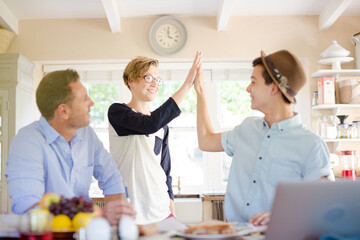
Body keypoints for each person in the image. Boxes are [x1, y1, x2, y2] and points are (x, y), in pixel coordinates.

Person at [194, 50, 331, 226]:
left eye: (253, 82)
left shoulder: (312, 145)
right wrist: (200, 91)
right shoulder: (247, 128)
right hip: (237, 233)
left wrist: (281, 216)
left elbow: (323, 205)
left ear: (274, 88)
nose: (248, 88)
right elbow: (206, 141)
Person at [6, 69, 135, 226]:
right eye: (84, 99)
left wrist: (117, 221)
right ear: (64, 111)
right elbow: (29, 208)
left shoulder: (86, 133)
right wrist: (97, 218)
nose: (92, 103)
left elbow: (111, 177)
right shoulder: (27, 142)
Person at [108, 52, 202, 224]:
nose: (155, 83)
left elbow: (165, 169)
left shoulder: (162, 126)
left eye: (157, 79)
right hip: (132, 212)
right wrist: (188, 84)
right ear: (131, 81)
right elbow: (149, 124)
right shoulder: (117, 112)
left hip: (162, 209)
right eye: (148, 77)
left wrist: (171, 201)